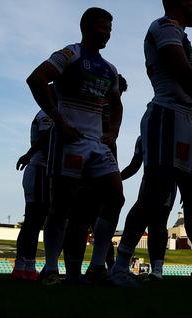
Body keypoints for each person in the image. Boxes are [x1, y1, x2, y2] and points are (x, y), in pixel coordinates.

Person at [110, 0, 192, 288]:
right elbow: (182, 70)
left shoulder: (179, 33)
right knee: (153, 196)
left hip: (187, 121)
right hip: (167, 115)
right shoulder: (164, 26)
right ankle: (119, 267)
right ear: (181, 1)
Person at [26, 7, 125, 285]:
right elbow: (36, 79)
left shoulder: (109, 68)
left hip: (97, 145)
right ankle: (50, 268)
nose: (106, 33)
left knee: (116, 197)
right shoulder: (70, 54)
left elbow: (117, 104)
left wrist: (114, 132)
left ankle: (97, 266)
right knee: (61, 206)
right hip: (69, 142)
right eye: (101, 27)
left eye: (110, 29)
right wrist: (58, 119)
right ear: (86, 27)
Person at [62, 74, 128, 283]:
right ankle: (77, 272)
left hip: (102, 160)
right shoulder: (94, 105)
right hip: (86, 156)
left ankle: (97, 267)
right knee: (81, 215)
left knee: (105, 206)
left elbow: (110, 138)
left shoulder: (105, 106)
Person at [119, 135, 179, 281]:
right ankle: (125, 266)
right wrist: (116, 178)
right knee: (140, 221)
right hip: (148, 184)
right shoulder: (142, 138)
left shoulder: (174, 135)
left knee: (155, 223)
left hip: (167, 184)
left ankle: (155, 269)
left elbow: (182, 164)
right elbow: (135, 165)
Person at [11, 108, 53, 281]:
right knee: (33, 220)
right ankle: (23, 266)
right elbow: (46, 138)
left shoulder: (47, 113)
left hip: (41, 170)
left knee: (34, 221)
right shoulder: (47, 114)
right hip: (40, 170)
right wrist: (29, 155)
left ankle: (26, 266)